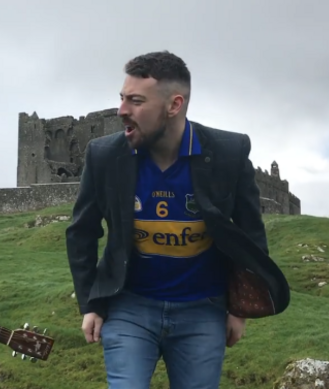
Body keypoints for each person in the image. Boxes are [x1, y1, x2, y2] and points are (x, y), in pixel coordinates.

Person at [65, 51, 290, 388]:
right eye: (122, 98)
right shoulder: (104, 155)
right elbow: (81, 232)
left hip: (203, 311)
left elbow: (250, 231)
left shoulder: (229, 152)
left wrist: (240, 308)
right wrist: (90, 303)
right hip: (129, 309)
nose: (121, 111)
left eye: (136, 101)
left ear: (174, 105)